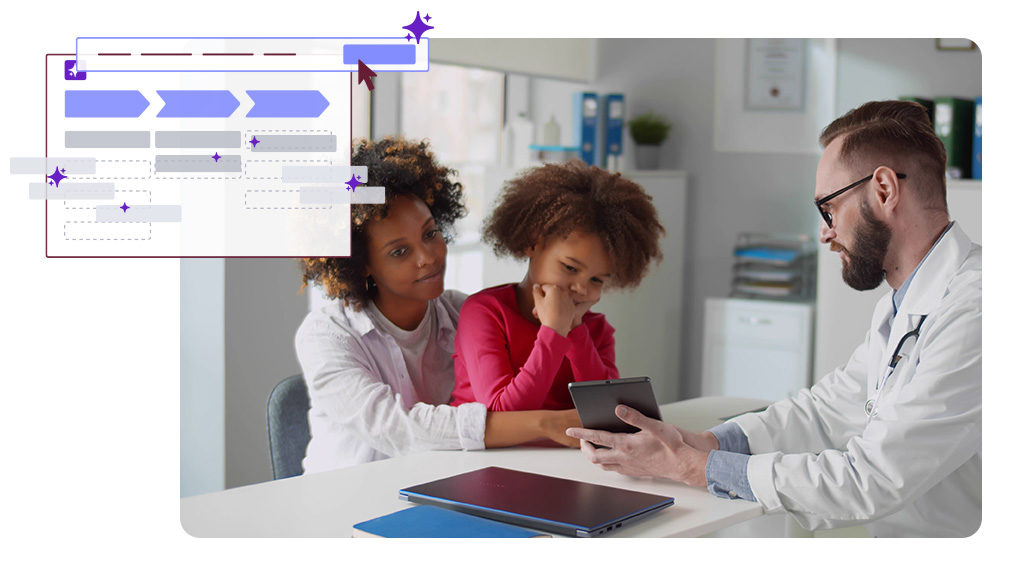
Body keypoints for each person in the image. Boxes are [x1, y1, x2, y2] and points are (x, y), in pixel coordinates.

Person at [567, 100, 982, 537]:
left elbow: (872, 479)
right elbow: (823, 412)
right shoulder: (904, 306)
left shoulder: (978, 310)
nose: (825, 231)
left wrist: (695, 467)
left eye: (829, 208)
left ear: (883, 189)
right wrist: (704, 443)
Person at [295, 137, 580, 474]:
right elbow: (402, 430)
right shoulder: (327, 335)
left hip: (440, 486)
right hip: (344, 502)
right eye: (400, 252)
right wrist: (543, 423)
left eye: (430, 234)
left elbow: (517, 396)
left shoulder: (466, 313)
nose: (428, 258)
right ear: (362, 265)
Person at [449, 160, 664, 412]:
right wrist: (554, 331)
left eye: (596, 280)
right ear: (532, 243)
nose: (582, 288)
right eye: (570, 268)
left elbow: (609, 412)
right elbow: (502, 412)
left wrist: (575, 331)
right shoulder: (485, 312)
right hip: (488, 451)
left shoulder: (596, 332)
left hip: (562, 452)